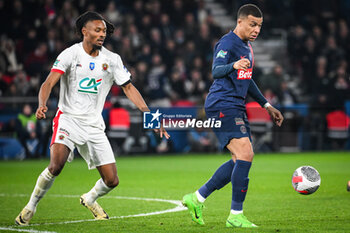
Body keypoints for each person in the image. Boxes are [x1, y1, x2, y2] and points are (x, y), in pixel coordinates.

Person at [15, 11, 169, 226]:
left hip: (94, 125)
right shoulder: (71, 54)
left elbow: (129, 88)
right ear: (83, 31)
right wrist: (42, 105)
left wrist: (152, 117)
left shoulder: (112, 59)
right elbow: (48, 83)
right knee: (56, 165)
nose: (102, 34)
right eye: (97, 30)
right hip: (68, 118)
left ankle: (90, 198)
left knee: (112, 180)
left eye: (104, 31)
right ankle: (30, 207)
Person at [182, 4, 283, 228]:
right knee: (246, 154)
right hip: (222, 104)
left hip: (235, 104)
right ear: (240, 22)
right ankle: (235, 215)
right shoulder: (228, 42)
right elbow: (216, 70)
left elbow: (247, 80)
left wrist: (267, 105)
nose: (256, 29)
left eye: (259, 26)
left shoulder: (247, 47)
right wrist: (233, 64)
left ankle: (196, 198)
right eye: (252, 24)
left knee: (239, 160)